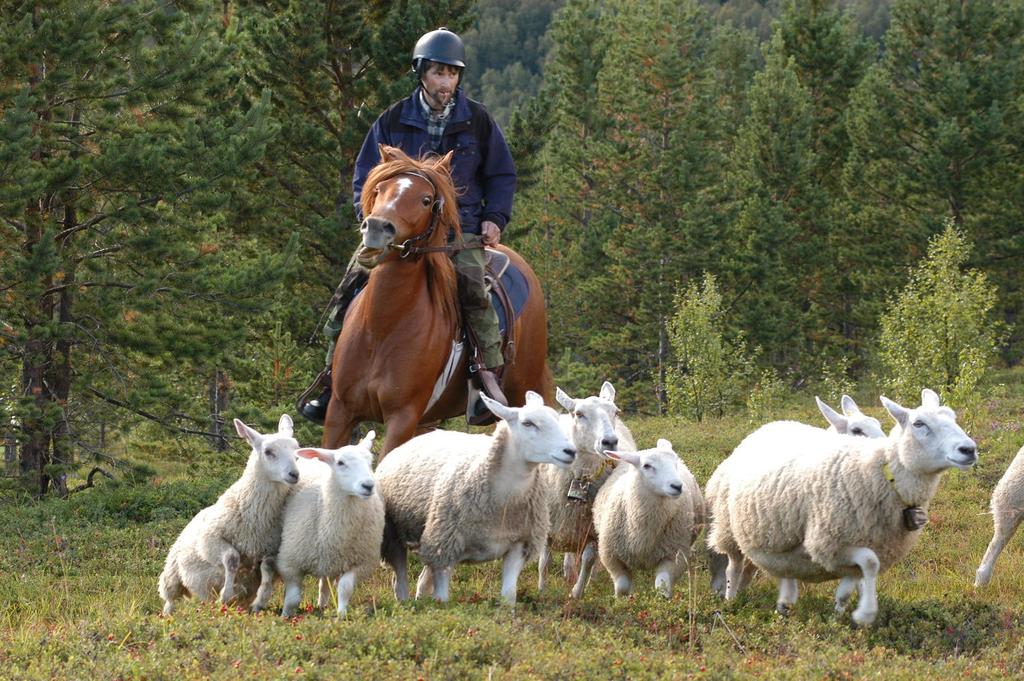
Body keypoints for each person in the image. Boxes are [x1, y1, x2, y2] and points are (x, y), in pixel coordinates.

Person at [299, 27, 517, 424]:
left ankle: (484, 381)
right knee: (349, 288)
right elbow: (365, 177)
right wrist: (371, 219)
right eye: (438, 73)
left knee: (474, 291)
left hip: (457, 229)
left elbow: (502, 175)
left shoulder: (479, 121)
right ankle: (333, 378)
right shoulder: (393, 119)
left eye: (452, 74)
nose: (445, 82)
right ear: (421, 73)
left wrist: (494, 217)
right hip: (395, 232)